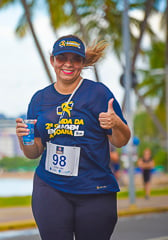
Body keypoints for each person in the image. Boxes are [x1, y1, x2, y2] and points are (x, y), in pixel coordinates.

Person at [15, 35, 131, 240]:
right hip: (50, 186)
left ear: (83, 63)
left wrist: (117, 124)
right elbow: (34, 152)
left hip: (94, 188)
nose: (68, 64)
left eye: (75, 59)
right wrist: (24, 138)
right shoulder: (40, 99)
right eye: (62, 58)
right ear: (53, 60)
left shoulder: (98, 93)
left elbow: (120, 140)